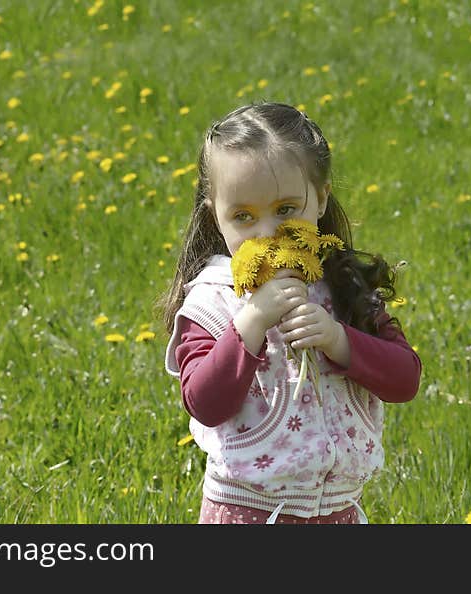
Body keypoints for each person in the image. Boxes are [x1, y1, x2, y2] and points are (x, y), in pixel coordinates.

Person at [158, 102, 421, 524]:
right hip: (248, 509)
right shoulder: (213, 302)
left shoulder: (342, 284)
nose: (266, 232)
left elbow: (405, 379)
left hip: (337, 508)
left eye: (285, 210)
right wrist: (249, 325)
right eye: (243, 217)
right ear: (216, 219)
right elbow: (204, 403)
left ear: (319, 199)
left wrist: (340, 340)